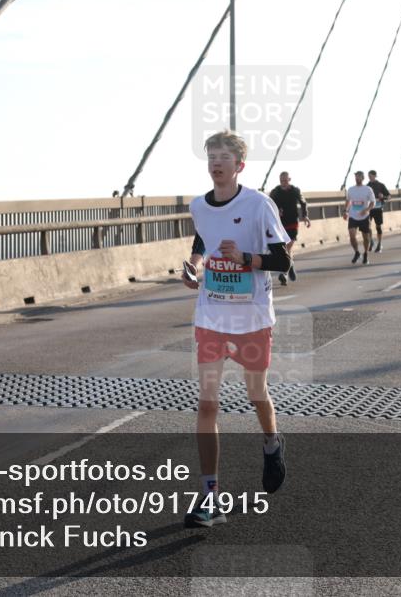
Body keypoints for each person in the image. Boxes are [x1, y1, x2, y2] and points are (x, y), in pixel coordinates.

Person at [182, 129, 290, 528]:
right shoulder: (198, 205)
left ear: (239, 165)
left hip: (252, 318)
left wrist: (245, 257)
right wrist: (194, 267)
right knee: (207, 402)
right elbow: (203, 239)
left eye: (224, 156)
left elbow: (283, 261)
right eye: (211, 155)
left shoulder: (259, 204)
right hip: (211, 315)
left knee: (255, 393)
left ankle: (272, 442)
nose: (216, 162)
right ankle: (210, 496)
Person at [269, 172, 312, 285]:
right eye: (281, 180)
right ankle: (290, 264)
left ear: (289, 179)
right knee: (284, 248)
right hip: (280, 223)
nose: (283, 183)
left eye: (285, 180)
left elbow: (303, 203)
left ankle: (284, 272)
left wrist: (305, 216)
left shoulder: (295, 190)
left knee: (288, 246)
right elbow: (268, 204)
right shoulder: (275, 192)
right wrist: (276, 211)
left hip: (293, 222)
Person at [344, 171, 375, 265]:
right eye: (356, 177)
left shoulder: (368, 189)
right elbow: (348, 201)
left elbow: (373, 203)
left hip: (364, 216)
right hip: (353, 216)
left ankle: (365, 253)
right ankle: (357, 252)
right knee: (352, 236)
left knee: (366, 238)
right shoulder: (351, 189)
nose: (357, 179)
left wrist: (367, 209)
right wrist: (345, 211)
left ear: (362, 178)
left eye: (358, 177)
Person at [366, 170, 392, 253]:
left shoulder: (381, 185)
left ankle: (379, 244)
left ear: (374, 176)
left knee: (378, 227)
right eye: (368, 176)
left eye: (370, 176)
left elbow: (389, 197)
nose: (369, 177)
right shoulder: (367, 186)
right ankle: (371, 242)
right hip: (369, 209)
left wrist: (383, 196)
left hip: (378, 208)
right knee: (367, 226)